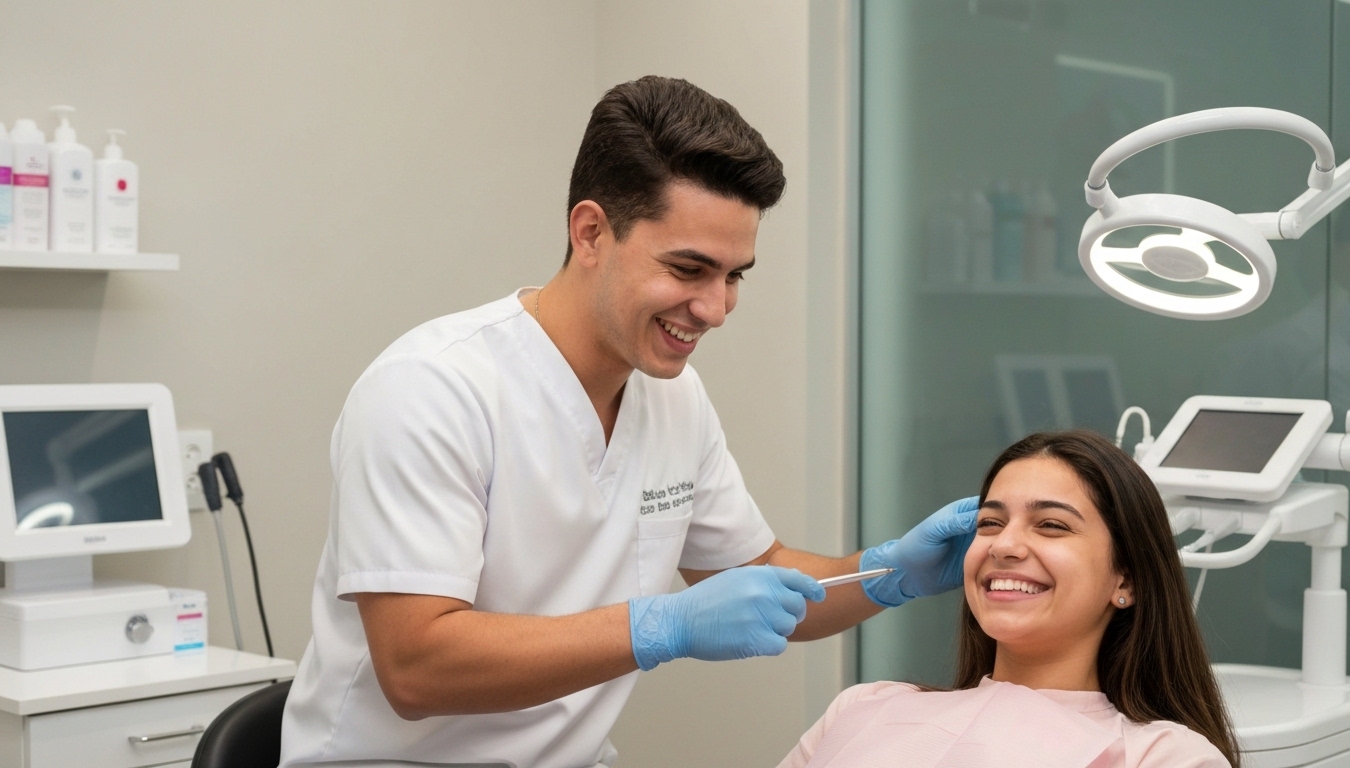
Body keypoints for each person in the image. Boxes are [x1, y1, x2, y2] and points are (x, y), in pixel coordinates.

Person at [279, 76, 978, 768]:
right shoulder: (431, 390)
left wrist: (887, 575)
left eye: (735, 275)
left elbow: (760, 573)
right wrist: (660, 627)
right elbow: (415, 667)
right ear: (590, 232)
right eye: (689, 269)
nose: (715, 308)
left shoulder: (673, 398)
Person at [778, 430, 1240, 768]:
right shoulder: (864, 706)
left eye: (1052, 525)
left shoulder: (1161, 756)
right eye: (990, 523)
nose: (1003, 546)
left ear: (1128, 581)